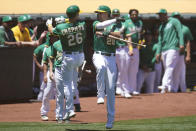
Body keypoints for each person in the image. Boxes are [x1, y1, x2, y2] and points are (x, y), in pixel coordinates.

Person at [46, 5, 86, 123]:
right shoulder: (82, 25)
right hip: (80, 56)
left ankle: (69, 109)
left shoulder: (61, 26)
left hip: (68, 57)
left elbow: (52, 32)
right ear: (76, 15)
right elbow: (72, 25)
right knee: (72, 83)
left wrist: (49, 24)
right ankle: (70, 105)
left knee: (66, 85)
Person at [93, 5, 125, 129]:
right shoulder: (96, 22)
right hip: (99, 54)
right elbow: (99, 27)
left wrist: (107, 33)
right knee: (101, 68)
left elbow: (119, 34)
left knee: (111, 88)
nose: (99, 15)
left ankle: (110, 119)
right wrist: (114, 22)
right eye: (98, 13)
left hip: (111, 57)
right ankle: (100, 94)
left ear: (107, 14)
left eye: (101, 13)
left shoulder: (116, 25)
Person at [156, 9, 184, 93]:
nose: (160, 17)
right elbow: (160, 40)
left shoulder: (174, 21)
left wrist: (181, 43)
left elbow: (180, 32)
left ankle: (164, 85)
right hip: (164, 49)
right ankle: (172, 88)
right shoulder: (161, 26)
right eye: (159, 15)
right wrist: (158, 52)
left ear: (166, 15)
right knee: (168, 68)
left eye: (161, 15)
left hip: (173, 48)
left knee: (169, 66)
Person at [111, 9, 132, 98]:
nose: (116, 16)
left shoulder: (124, 24)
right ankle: (118, 90)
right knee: (115, 71)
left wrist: (130, 48)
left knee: (124, 70)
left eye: (117, 15)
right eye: (114, 15)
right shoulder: (110, 25)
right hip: (113, 49)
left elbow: (128, 37)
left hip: (123, 49)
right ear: (112, 16)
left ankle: (124, 90)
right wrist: (116, 34)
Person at [171, 12, 194, 92]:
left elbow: (188, 42)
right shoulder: (170, 28)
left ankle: (183, 90)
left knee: (181, 73)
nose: (176, 18)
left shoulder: (185, 28)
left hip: (180, 54)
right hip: (171, 53)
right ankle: (172, 89)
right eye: (174, 17)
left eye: (177, 17)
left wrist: (188, 55)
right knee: (171, 72)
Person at [40, 33, 59, 121]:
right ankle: (43, 113)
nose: (52, 38)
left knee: (60, 94)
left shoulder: (61, 47)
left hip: (59, 72)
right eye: (51, 37)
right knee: (47, 93)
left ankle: (59, 113)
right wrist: (44, 75)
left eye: (54, 37)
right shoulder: (47, 49)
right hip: (50, 72)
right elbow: (45, 63)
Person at [126, 9, 143, 95]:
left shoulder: (140, 22)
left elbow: (141, 34)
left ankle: (132, 89)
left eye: (136, 14)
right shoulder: (126, 21)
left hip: (136, 47)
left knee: (134, 70)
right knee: (126, 69)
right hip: (127, 47)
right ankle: (126, 89)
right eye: (132, 14)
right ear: (130, 15)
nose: (134, 16)